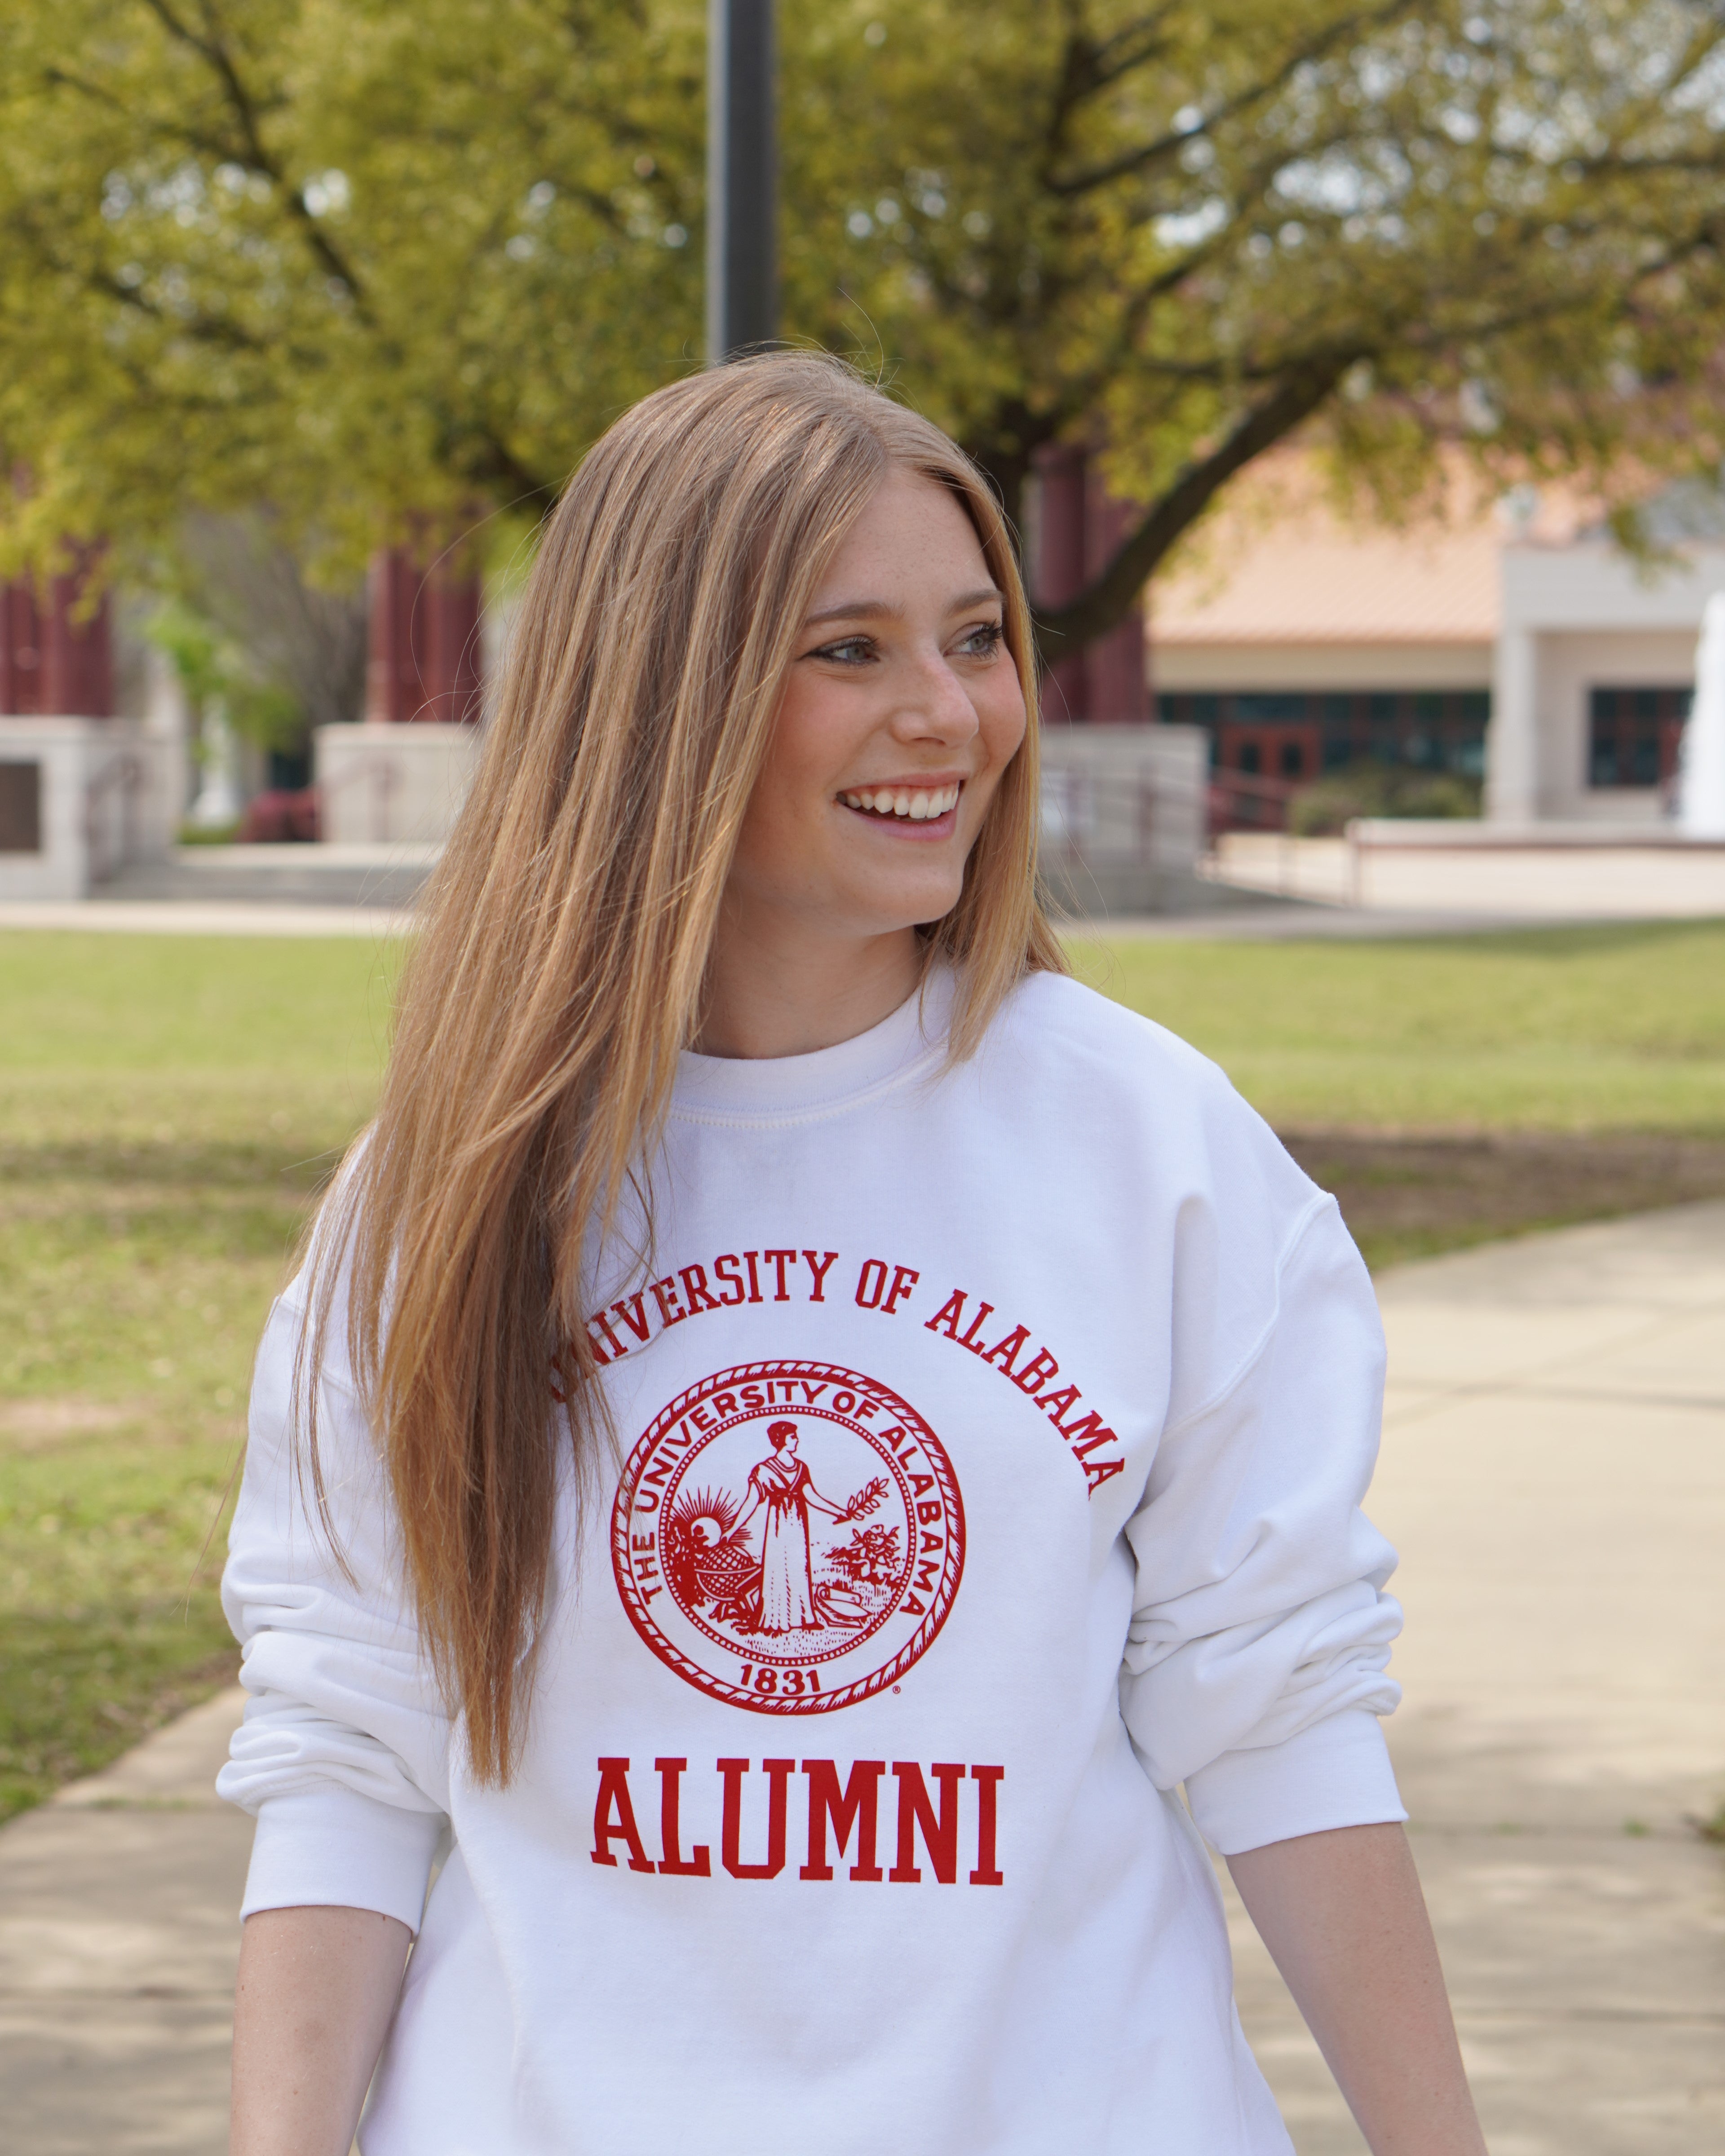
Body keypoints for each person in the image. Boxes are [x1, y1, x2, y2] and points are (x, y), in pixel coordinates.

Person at [220, 353, 1488, 2156]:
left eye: (976, 640)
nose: (953, 714)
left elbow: (1278, 1709)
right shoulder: (453, 1193)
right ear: (663, 702)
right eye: (851, 650)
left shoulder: (1153, 1150)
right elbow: (345, 1751)